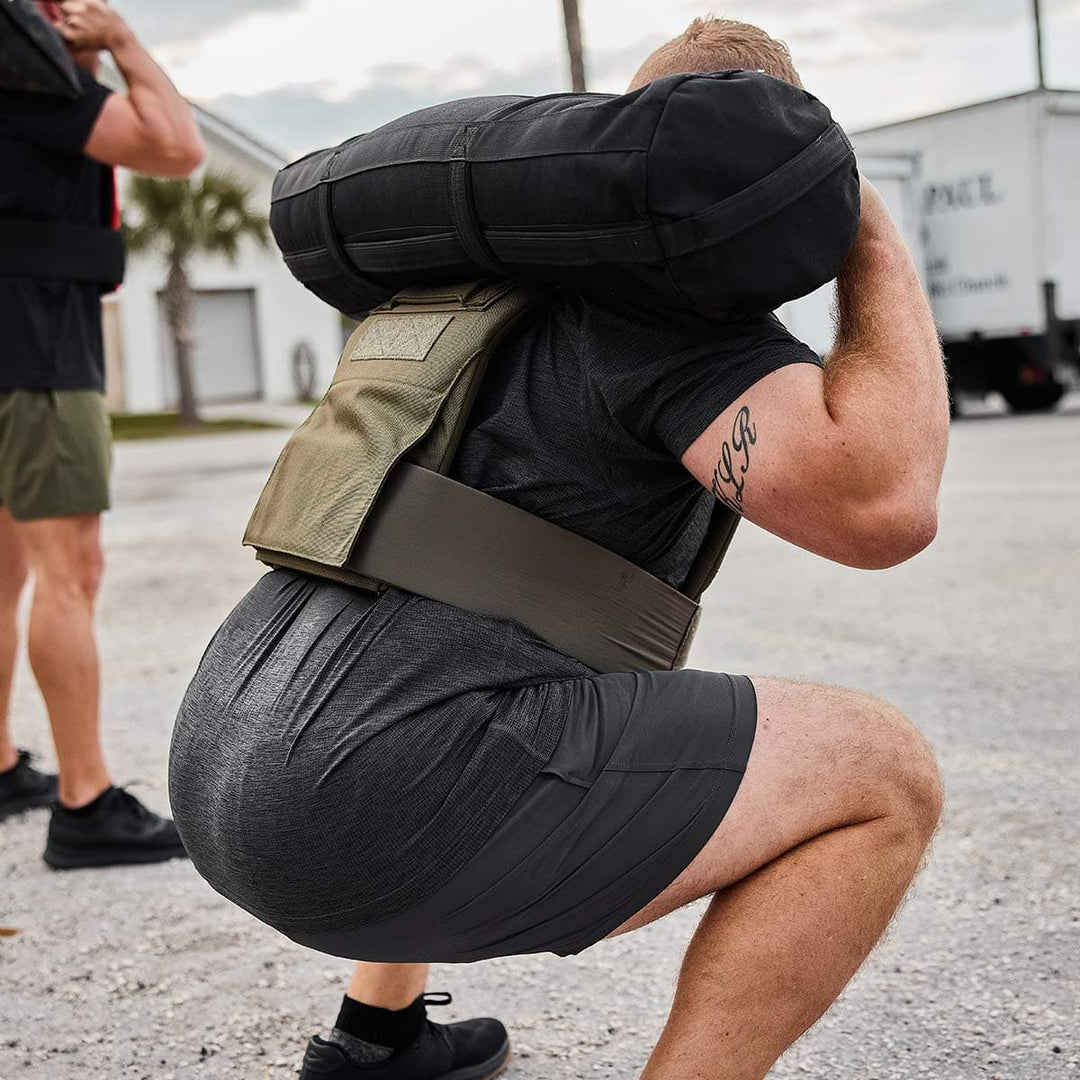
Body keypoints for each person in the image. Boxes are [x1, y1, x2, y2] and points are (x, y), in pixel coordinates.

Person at [169, 17, 949, 1080]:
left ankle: (378, 1037)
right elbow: (885, 507)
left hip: (223, 753)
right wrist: (866, 225)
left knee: (453, 660)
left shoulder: (456, 288)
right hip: (355, 808)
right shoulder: (663, 313)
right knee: (883, 774)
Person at [0, 0, 205, 867]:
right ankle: (85, 804)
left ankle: (3, 767)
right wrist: (120, 40)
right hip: (38, 336)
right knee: (68, 568)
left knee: (7, 564)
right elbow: (177, 147)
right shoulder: (36, 82)